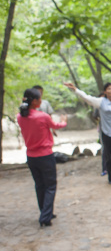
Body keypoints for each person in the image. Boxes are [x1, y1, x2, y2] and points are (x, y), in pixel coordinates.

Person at [17, 88, 68, 227]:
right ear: (34, 102)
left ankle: (46, 212)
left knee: (40, 185)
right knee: (50, 185)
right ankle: (45, 216)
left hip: (31, 157)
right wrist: (64, 121)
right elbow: (56, 126)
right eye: (39, 99)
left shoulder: (20, 117)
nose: (41, 101)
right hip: (45, 155)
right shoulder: (42, 116)